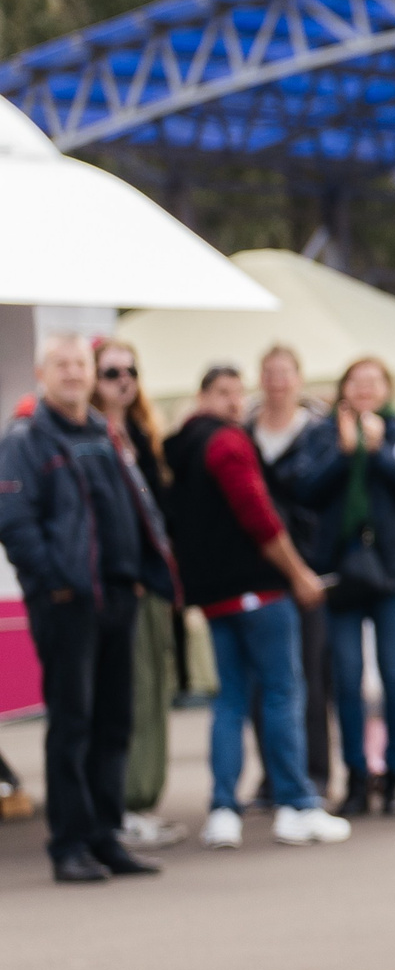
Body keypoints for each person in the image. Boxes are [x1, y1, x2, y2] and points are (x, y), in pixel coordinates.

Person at [0, 333, 174, 882]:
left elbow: (135, 507)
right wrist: (54, 583)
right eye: (63, 364)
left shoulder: (103, 432)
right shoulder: (26, 438)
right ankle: (70, 844)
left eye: (81, 364)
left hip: (118, 598)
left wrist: (147, 572)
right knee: (73, 725)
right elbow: (15, 521)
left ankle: (106, 835)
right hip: (68, 604)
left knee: (113, 723)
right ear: (42, 372)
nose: (74, 373)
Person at [163, 365, 349, 848]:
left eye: (236, 393)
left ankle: (224, 807)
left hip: (213, 595)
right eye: (223, 392)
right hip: (258, 590)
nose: (233, 402)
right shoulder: (227, 443)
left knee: (229, 701)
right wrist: (297, 572)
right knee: (282, 693)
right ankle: (296, 804)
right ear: (203, 397)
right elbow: (258, 514)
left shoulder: (179, 450)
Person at [305, 356, 395, 818]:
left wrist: (377, 452)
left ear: (386, 389)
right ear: (343, 388)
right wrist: (344, 454)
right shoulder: (322, 433)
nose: (364, 389)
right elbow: (307, 490)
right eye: (356, 382)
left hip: (394, 568)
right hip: (342, 569)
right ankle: (357, 776)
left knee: (394, 674)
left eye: (374, 381)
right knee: (345, 675)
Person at [91, 337, 185, 849]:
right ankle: (121, 804)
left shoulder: (145, 437)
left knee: (152, 693)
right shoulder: (87, 437)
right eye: (110, 372)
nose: (122, 380)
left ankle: (140, 801)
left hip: (151, 584)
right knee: (123, 698)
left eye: (130, 370)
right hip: (111, 586)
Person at [250, 344, 339, 799]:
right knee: (261, 681)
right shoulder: (246, 431)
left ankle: (316, 775)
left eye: (285, 372)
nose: (277, 381)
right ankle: (274, 774)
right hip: (259, 569)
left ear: (299, 379)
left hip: (308, 565)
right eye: (270, 372)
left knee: (309, 675)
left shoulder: (318, 432)